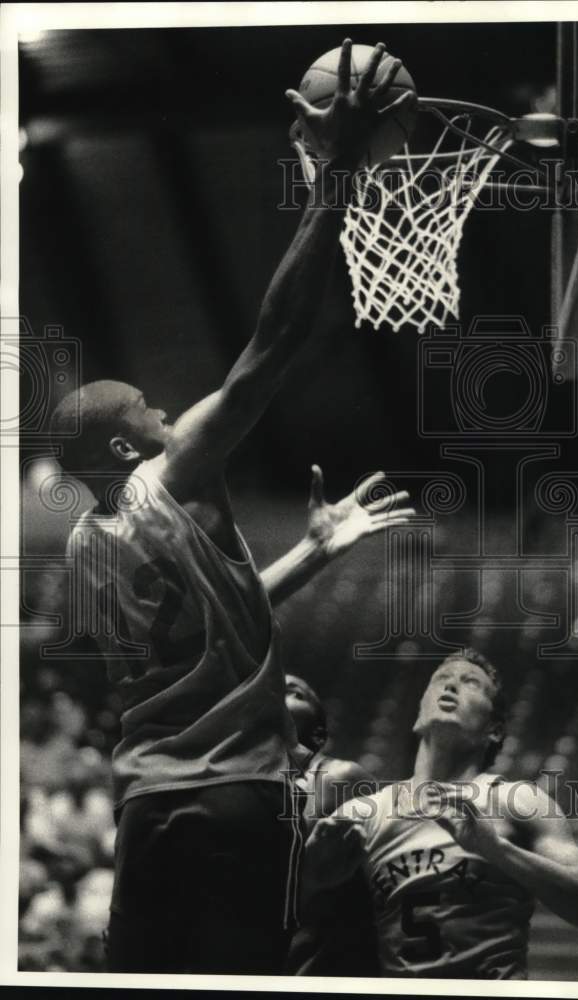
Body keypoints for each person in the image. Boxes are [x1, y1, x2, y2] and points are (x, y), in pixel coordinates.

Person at [47, 40, 417, 974]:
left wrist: (314, 553)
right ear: (129, 447)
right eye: (151, 410)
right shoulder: (171, 474)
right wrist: (332, 181)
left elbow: (207, 640)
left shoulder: (87, 550)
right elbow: (274, 343)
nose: (172, 411)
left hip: (145, 803)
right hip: (239, 793)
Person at [303, 648, 578, 979]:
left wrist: (497, 850)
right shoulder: (362, 813)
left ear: (495, 730)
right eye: (441, 680)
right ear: (418, 715)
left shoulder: (516, 799)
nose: (451, 686)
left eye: (470, 683)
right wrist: (313, 879)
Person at [284, 674, 380, 975]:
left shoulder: (339, 777)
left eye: (298, 693)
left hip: (325, 960)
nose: (281, 691)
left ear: (319, 730)